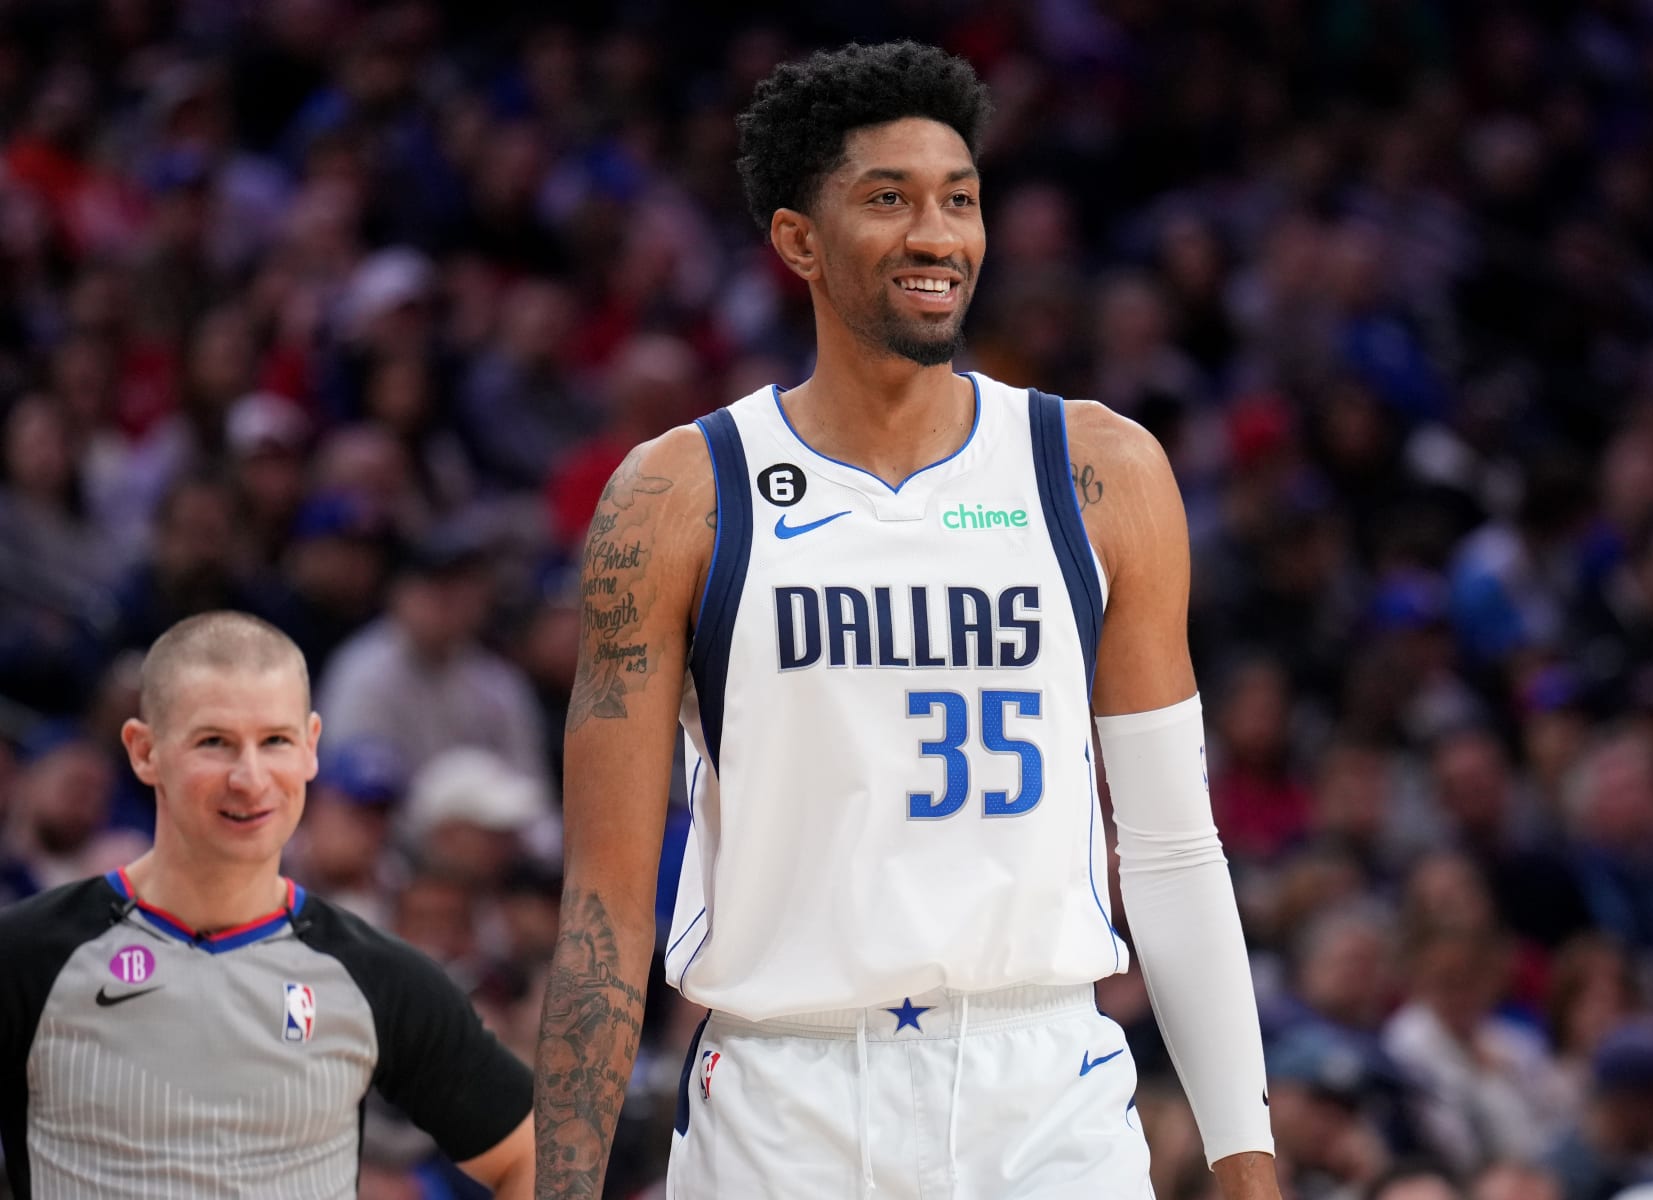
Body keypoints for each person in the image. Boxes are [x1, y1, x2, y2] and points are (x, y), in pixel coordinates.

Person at [537, 40, 1276, 1200]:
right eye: (889, 200)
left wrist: (1245, 1162)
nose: (939, 236)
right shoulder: (679, 495)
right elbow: (605, 903)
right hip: (784, 1100)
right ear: (797, 242)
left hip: (1045, 1092)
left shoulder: (1096, 469)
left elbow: (1177, 851)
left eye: (961, 201)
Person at [0, 611, 534, 1199]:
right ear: (145, 751)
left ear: (310, 749)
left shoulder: (375, 976)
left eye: (275, 741)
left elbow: (537, 1158)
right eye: (215, 742)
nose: (250, 778)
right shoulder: (30, 956)